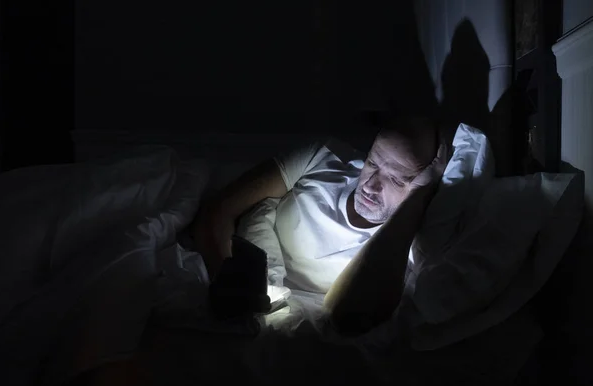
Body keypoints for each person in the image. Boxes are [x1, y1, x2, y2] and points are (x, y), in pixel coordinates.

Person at [191, 116, 447, 335]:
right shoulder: (324, 156)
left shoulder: (404, 241)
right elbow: (218, 211)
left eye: (395, 179)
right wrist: (226, 280)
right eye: (372, 163)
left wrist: (416, 197)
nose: (370, 185)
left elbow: (346, 316)